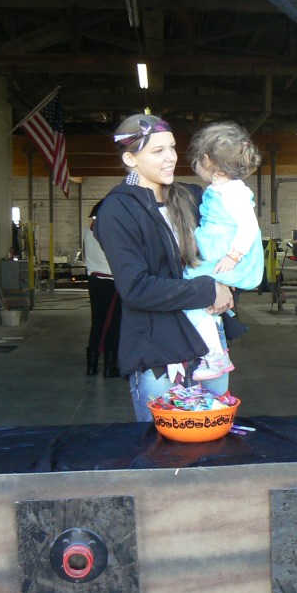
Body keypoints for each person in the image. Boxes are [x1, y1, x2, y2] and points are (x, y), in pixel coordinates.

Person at [94, 113, 234, 421]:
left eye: (171, 147)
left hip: (210, 345)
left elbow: (224, 247)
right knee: (161, 445)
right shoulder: (118, 210)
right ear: (130, 159)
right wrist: (208, 289)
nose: (171, 157)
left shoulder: (190, 196)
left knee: (214, 438)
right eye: (158, 151)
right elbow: (135, 288)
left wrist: (229, 281)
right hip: (160, 352)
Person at [183, 122, 264, 381]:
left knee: (190, 296)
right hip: (219, 254)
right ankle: (215, 348)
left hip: (227, 258)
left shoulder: (234, 192)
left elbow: (249, 226)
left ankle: (215, 356)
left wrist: (233, 256)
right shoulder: (222, 189)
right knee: (199, 300)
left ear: (207, 160)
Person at [82, 199, 120, 377]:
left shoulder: (87, 233)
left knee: (97, 322)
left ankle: (92, 366)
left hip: (94, 280)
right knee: (113, 323)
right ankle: (110, 367)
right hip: (111, 282)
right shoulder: (111, 233)